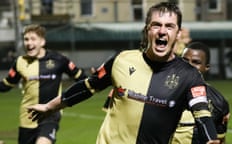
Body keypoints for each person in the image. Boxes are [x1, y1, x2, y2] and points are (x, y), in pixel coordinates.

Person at [27, 2, 220, 144]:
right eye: (156, 25)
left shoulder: (190, 76)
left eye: (169, 26)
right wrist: (49, 107)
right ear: (147, 30)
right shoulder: (121, 60)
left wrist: (211, 139)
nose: (162, 31)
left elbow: (202, 113)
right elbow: (87, 87)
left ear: (177, 34)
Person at [0, 24, 86, 144]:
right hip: (27, 118)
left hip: (50, 115)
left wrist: (96, 76)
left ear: (42, 42)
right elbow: (6, 85)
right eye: (26, 39)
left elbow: (81, 78)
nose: (29, 43)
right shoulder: (20, 62)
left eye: (33, 39)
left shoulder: (59, 60)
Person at [171, 42, 230, 144]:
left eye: (196, 62)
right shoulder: (161, 91)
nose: (188, 65)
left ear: (206, 67)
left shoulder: (218, 102)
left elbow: (220, 140)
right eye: (184, 60)